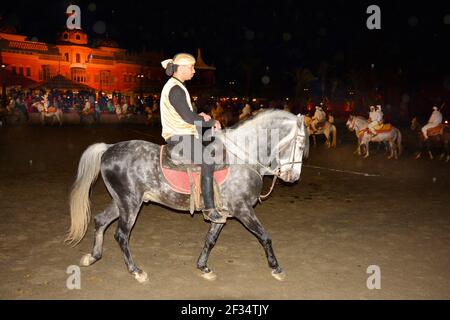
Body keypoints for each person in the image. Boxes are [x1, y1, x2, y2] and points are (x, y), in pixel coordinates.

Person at [160, 53, 226, 224]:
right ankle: (209, 208)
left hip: (183, 132)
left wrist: (200, 116)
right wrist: (210, 122)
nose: (194, 71)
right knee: (208, 159)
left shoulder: (177, 86)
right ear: (181, 68)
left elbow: (186, 114)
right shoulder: (175, 89)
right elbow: (188, 119)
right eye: (191, 67)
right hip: (178, 136)